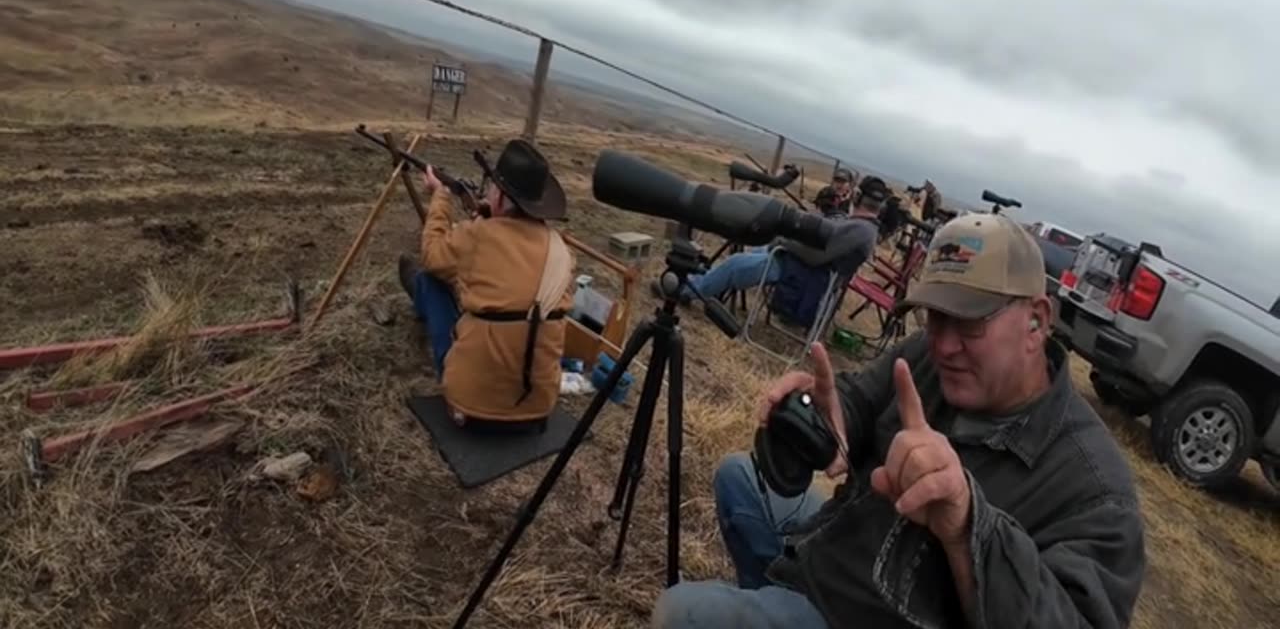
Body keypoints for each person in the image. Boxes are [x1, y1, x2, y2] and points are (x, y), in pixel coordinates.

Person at [653, 213, 1146, 628]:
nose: (945, 344)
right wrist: (830, 415)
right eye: (935, 317)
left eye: (970, 320)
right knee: (738, 476)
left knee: (682, 613)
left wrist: (968, 525)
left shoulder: (1096, 492)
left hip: (866, 613)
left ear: (1037, 321)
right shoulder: (930, 360)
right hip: (838, 554)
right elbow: (862, 398)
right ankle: (775, 601)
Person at [397, 138, 575, 430]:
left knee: (430, 281)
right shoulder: (562, 251)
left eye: (494, 187)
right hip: (538, 410)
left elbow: (432, 255)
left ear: (502, 198)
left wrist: (440, 196)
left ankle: (418, 296)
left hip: (470, 409)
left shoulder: (477, 235)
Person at [654, 181, 883, 308]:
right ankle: (707, 284)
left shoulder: (859, 229)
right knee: (758, 250)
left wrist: (784, 240)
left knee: (736, 263)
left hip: (807, 276)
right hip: (804, 268)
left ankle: (683, 291)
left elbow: (816, 257)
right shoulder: (862, 226)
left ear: (857, 197)